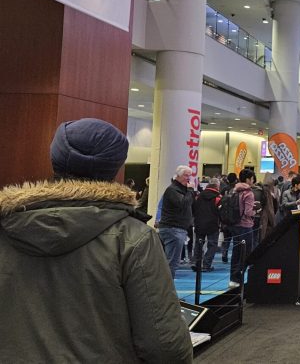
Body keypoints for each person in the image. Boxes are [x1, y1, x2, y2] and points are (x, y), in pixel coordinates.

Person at [0, 118, 193, 363]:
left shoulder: (6, 226)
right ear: (115, 166)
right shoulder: (133, 239)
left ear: (54, 158)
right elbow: (165, 346)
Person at [158, 165, 194, 279]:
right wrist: (191, 190)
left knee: (171, 263)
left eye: (190, 175)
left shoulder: (181, 190)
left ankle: (166, 292)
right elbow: (183, 204)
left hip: (177, 230)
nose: (188, 178)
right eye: (186, 175)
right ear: (178, 176)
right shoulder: (172, 190)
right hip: (173, 229)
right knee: (171, 263)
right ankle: (167, 294)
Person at [228, 169, 258, 289]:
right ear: (248, 179)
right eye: (252, 179)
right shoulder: (249, 193)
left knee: (236, 253)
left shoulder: (234, 190)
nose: (253, 181)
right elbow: (248, 212)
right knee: (245, 254)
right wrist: (257, 211)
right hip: (245, 226)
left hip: (235, 225)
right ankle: (239, 278)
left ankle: (233, 279)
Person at [192, 177, 221, 272]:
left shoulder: (199, 196)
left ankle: (197, 263)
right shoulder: (218, 197)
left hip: (199, 223)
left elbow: (194, 208)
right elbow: (221, 212)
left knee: (198, 243)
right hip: (213, 224)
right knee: (212, 244)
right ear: (217, 186)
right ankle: (206, 264)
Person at [259, 175, 278, 240]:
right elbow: (270, 208)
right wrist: (273, 223)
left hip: (259, 218)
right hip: (266, 219)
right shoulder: (267, 191)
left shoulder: (260, 189)